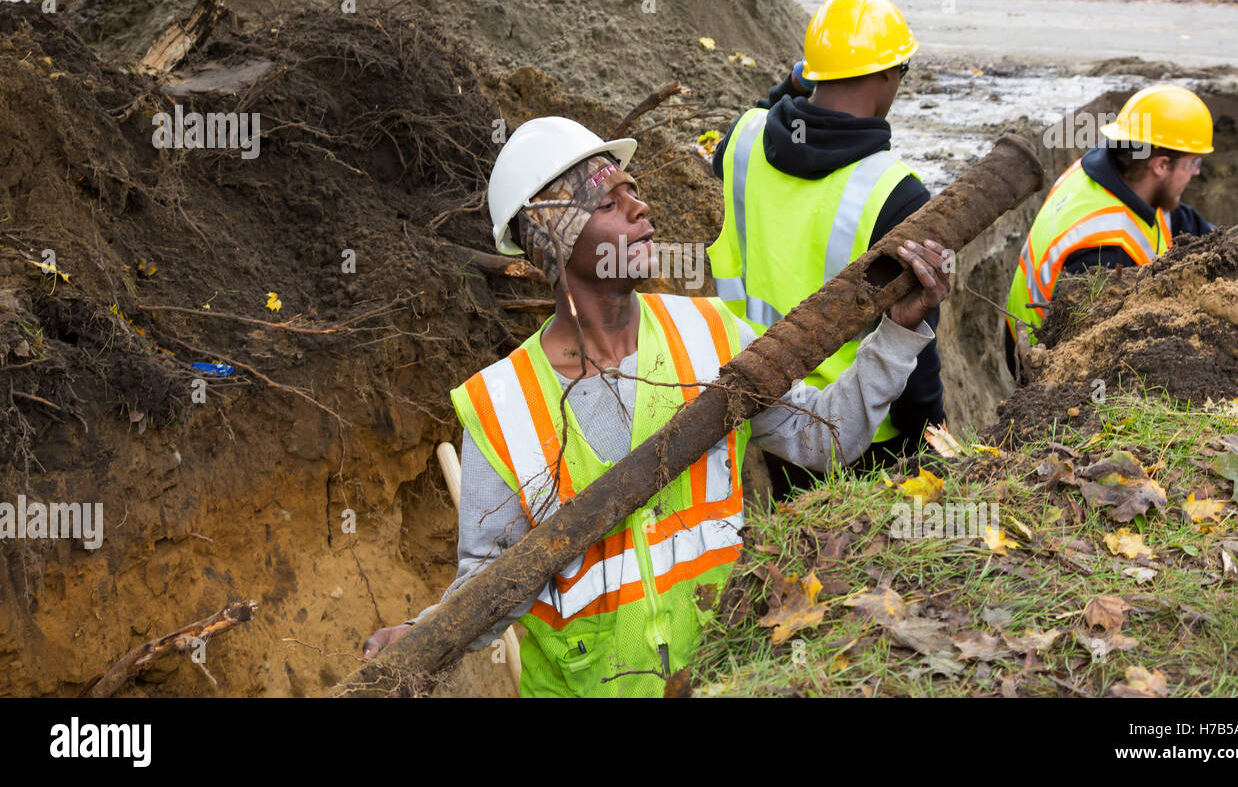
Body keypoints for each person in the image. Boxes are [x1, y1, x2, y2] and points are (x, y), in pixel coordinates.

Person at [361, 115, 951, 696]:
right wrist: (420, 637)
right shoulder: (500, 405)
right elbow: (488, 587)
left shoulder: (712, 337)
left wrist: (896, 336)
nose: (640, 208)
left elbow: (827, 438)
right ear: (553, 235)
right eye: (609, 201)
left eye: (634, 191)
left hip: (726, 679)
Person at [707, 0, 944, 497]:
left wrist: (794, 82)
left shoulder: (743, 142)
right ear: (887, 74)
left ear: (810, 73)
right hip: (856, 433)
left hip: (758, 403)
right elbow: (914, 341)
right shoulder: (896, 195)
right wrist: (932, 438)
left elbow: (765, 114)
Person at [1004, 84, 1217, 373]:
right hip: (1038, 358)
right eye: (1193, 163)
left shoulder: (1106, 173)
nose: (1197, 172)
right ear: (1161, 166)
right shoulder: (1105, 249)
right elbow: (1093, 351)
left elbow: (1176, 220)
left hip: (1018, 329)